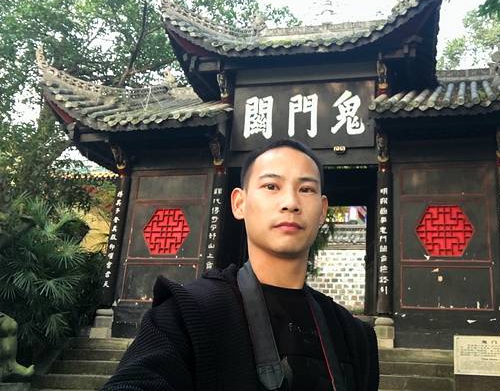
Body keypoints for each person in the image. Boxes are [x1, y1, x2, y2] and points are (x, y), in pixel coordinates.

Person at [101, 139, 379, 391]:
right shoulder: (188, 315)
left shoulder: (354, 336)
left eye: (306, 189)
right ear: (239, 203)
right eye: (271, 186)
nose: (291, 203)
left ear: (322, 211)